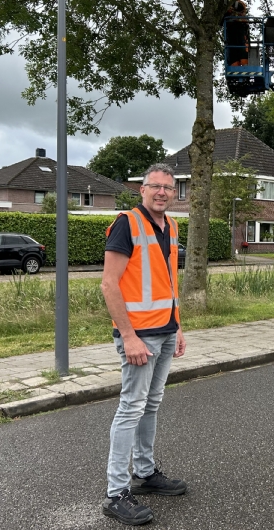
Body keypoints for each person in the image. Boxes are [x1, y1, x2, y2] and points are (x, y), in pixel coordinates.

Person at [101, 163, 188, 526]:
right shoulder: (127, 223)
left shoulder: (171, 225)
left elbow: (168, 283)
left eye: (168, 187)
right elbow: (109, 284)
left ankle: (146, 472)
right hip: (139, 336)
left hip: (166, 331)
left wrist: (178, 326)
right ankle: (116, 493)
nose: (162, 192)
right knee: (131, 407)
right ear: (142, 189)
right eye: (155, 186)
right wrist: (129, 336)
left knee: (151, 403)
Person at [224, 0, 250, 66]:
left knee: (242, 46)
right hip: (231, 30)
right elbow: (220, 21)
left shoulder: (239, 4)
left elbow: (239, 7)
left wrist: (230, 6)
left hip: (241, 27)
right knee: (232, 49)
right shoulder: (225, 12)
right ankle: (234, 65)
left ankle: (245, 64)